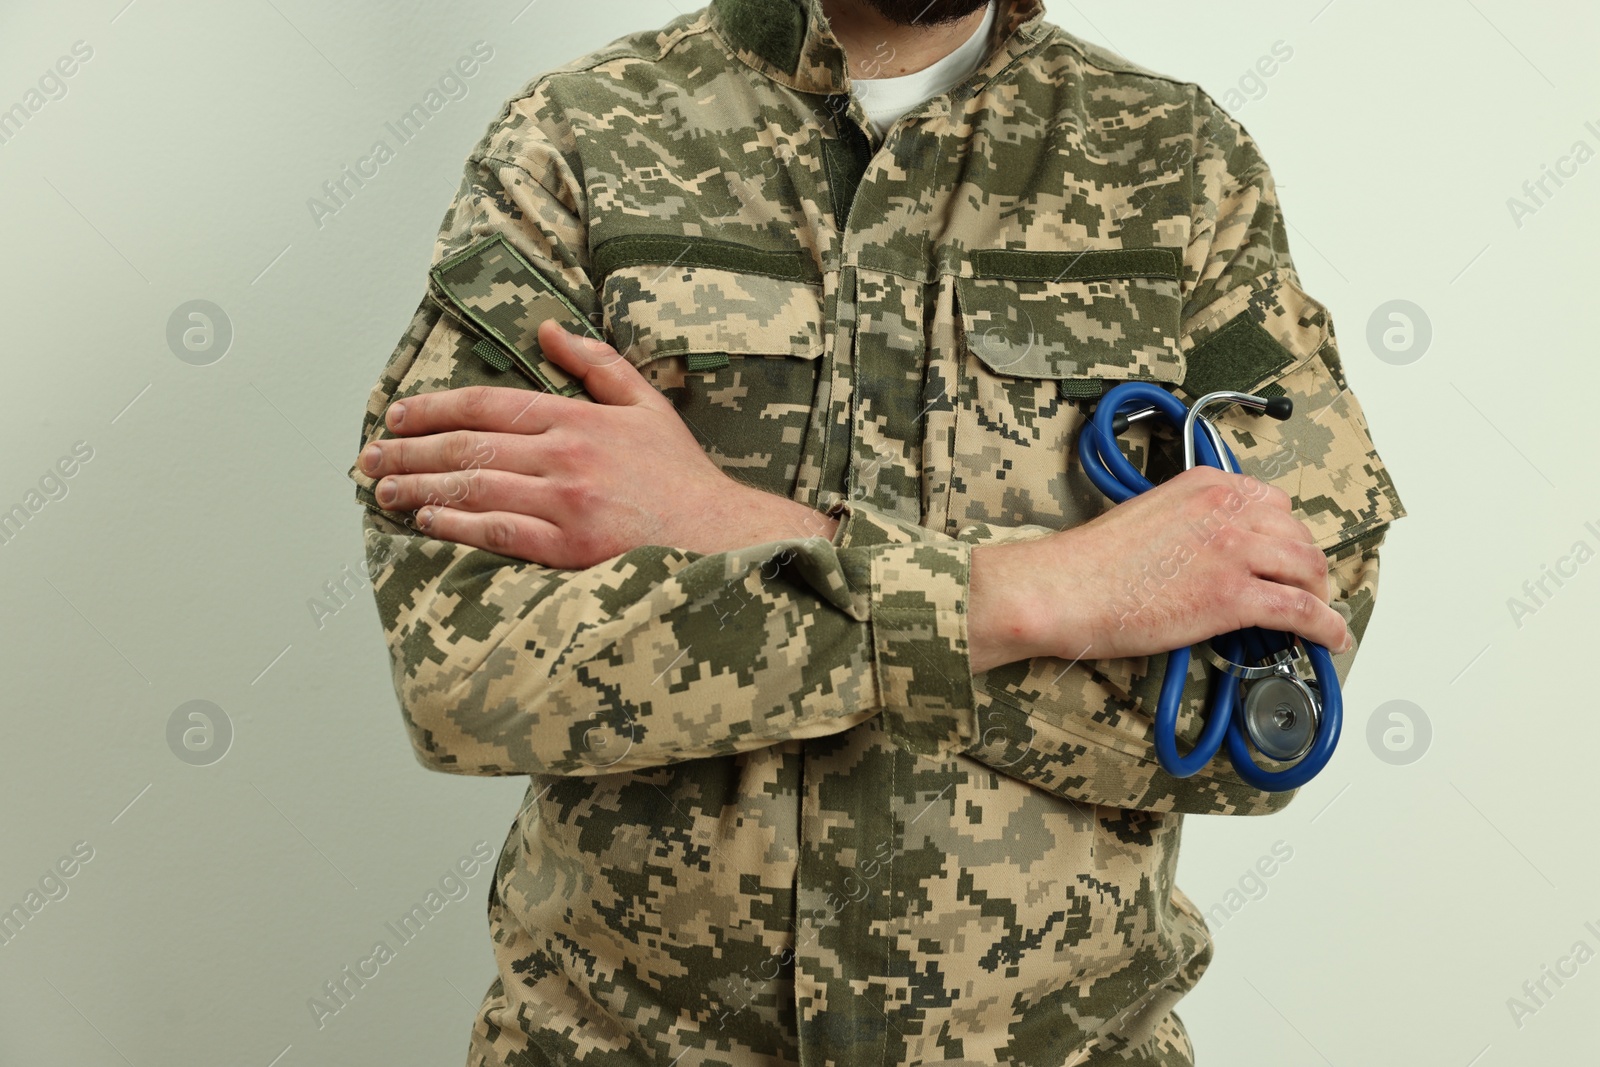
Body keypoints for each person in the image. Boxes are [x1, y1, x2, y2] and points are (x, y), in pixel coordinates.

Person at [347, 0, 1408, 1062]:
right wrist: (1042, 595)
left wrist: (730, 527)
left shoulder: (1175, 164)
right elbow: (469, 673)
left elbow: (1264, 720)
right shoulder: (576, 140)